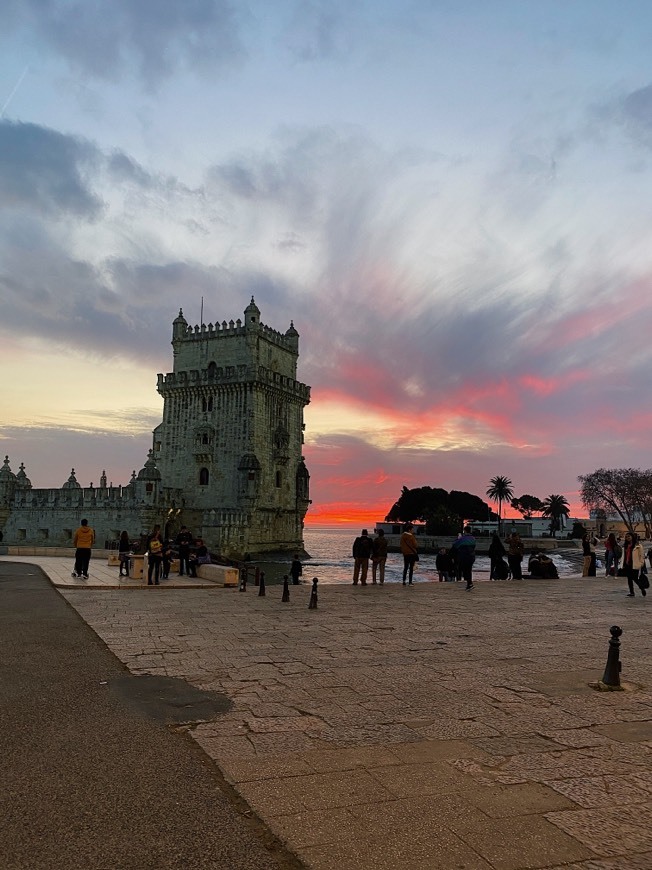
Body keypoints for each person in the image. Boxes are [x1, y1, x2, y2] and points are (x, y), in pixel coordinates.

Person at [452, 526, 476, 590]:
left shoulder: (463, 538)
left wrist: (458, 538)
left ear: (465, 531)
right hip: (472, 556)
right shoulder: (473, 538)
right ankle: (469, 583)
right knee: (469, 570)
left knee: (465, 570)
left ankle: (469, 584)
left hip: (464, 556)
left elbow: (455, 545)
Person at [623, 531, 646, 597]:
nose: (628, 538)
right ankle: (632, 592)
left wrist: (641, 563)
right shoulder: (626, 545)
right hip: (628, 564)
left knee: (635, 578)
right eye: (626, 537)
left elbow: (641, 555)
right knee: (629, 578)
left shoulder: (638, 546)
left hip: (635, 563)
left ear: (632, 537)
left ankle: (641, 588)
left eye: (629, 536)